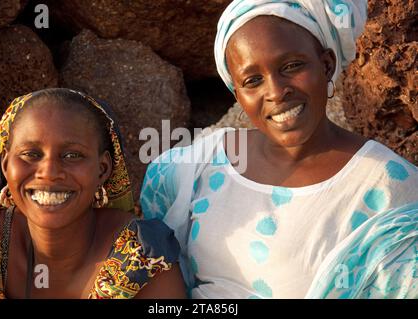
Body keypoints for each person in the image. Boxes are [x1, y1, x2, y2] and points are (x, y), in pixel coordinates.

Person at [140, 0, 418, 299]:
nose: (275, 91)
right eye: (252, 81)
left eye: (291, 66)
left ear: (327, 64)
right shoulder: (197, 165)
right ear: (237, 94)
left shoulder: (388, 186)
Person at [0, 88, 186, 299]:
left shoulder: (141, 259)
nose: (49, 172)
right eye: (31, 154)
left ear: (102, 169)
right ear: (6, 166)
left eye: (72, 155)